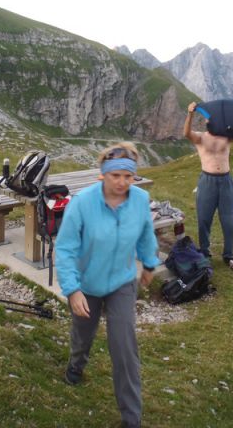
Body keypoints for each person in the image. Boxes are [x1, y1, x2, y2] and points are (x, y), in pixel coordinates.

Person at [55, 142, 160, 428]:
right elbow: (64, 248)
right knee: (83, 334)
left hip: (122, 283)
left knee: (124, 348)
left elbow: (145, 233)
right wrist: (72, 289)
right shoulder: (82, 203)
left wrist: (149, 263)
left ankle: (131, 419)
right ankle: (76, 366)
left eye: (128, 177)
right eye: (116, 176)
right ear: (103, 174)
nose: (122, 183)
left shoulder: (139, 199)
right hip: (86, 284)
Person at [183, 99, 233, 271]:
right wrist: (190, 113)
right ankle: (204, 252)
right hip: (207, 181)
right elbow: (186, 133)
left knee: (229, 221)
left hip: (226, 181)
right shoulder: (200, 138)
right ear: (206, 122)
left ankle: (229, 255)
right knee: (204, 218)